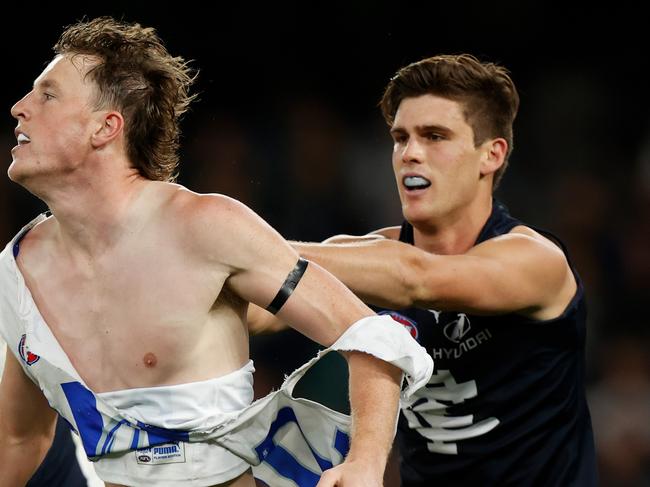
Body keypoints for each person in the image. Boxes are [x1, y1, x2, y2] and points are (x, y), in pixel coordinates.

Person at [0, 17, 433, 487]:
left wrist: (367, 463)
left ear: (105, 127)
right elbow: (21, 440)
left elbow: (374, 339)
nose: (19, 108)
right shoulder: (19, 269)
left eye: (47, 95)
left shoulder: (205, 228)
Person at [250, 54, 598, 486]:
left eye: (435, 136)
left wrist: (237, 246)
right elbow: (258, 309)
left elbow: (418, 278)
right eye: (400, 138)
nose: (410, 153)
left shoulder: (537, 261)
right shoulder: (362, 258)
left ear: (491, 154)